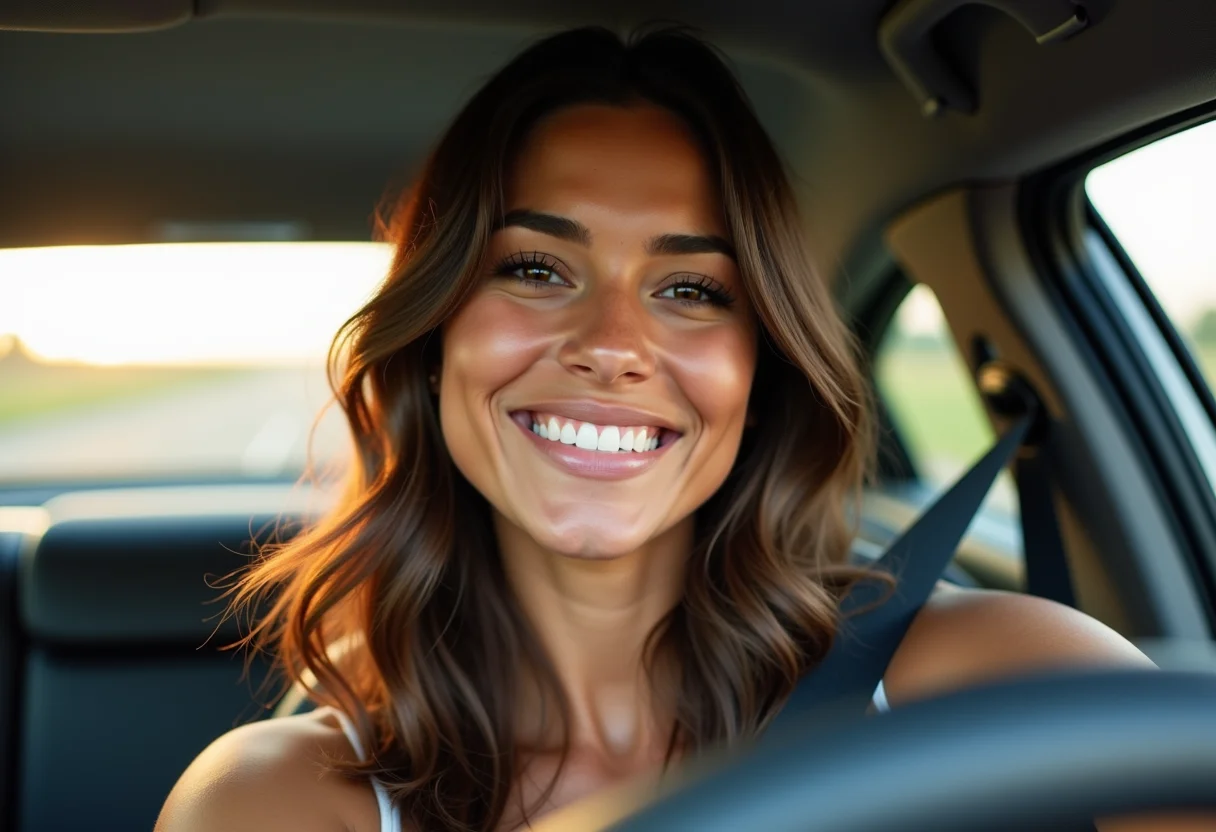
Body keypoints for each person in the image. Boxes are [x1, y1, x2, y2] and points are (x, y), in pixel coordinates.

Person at [155, 25, 1208, 832]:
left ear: (762, 370)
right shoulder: (274, 800)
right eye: (536, 268)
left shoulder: (1000, 678)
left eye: (692, 289)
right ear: (434, 341)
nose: (612, 345)